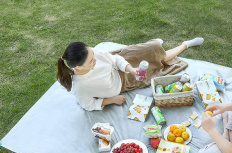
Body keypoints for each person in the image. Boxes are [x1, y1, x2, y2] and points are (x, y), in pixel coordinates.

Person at [56, 38, 204, 111]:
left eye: (93, 54)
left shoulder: (92, 54)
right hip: (123, 82)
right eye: (91, 61)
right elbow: (88, 105)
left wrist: (131, 69)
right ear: (78, 67)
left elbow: (114, 59)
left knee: (154, 47)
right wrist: (112, 99)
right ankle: (186, 44)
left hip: (121, 64)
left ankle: (154, 45)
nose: (96, 60)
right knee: (163, 62)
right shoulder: (81, 87)